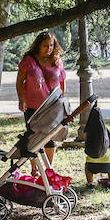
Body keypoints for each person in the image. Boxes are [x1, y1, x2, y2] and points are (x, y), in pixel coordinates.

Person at [16, 31, 67, 165]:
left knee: (50, 138)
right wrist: (21, 99)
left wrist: (62, 100)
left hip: (52, 107)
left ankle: (49, 169)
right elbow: (20, 81)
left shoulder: (57, 61)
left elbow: (62, 82)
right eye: (45, 45)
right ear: (38, 45)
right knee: (34, 138)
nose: (49, 49)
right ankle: (35, 169)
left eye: (51, 45)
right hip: (33, 107)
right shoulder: (28, 60)